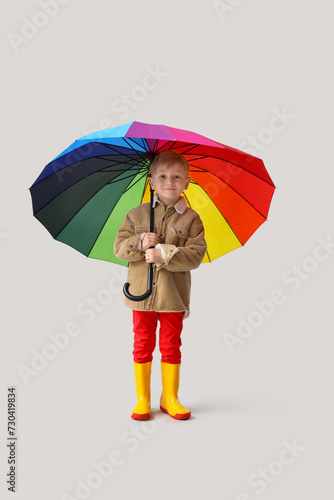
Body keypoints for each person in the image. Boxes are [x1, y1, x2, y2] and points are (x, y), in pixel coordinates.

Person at [114, 150, 207, 420]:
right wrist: (139, 242)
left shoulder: (191, 219)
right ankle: (142, 399)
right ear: (151, 181)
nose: (170, 181)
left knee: (171, 344)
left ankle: (170, 398)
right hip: (140, 295)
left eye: (177, 176)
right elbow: (119, 249)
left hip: (172, 297)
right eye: (163, 176)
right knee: (142, 343)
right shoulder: (136, 215)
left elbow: (195, 255)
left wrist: (165, 253)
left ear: (187, 182)